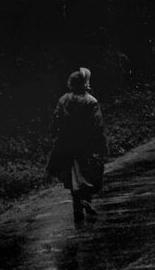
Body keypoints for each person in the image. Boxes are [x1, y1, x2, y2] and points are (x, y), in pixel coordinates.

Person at [46, 68, 108, 223]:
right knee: (89, 175)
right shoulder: (91, 101)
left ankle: (77, 209)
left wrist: (52, 133)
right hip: (86, 145)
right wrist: (102, 146)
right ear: (84, 84)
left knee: (73, 177)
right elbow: (98, 126)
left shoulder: (64, 99)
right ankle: (86, 201)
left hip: (66, 145)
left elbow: (56, 120)